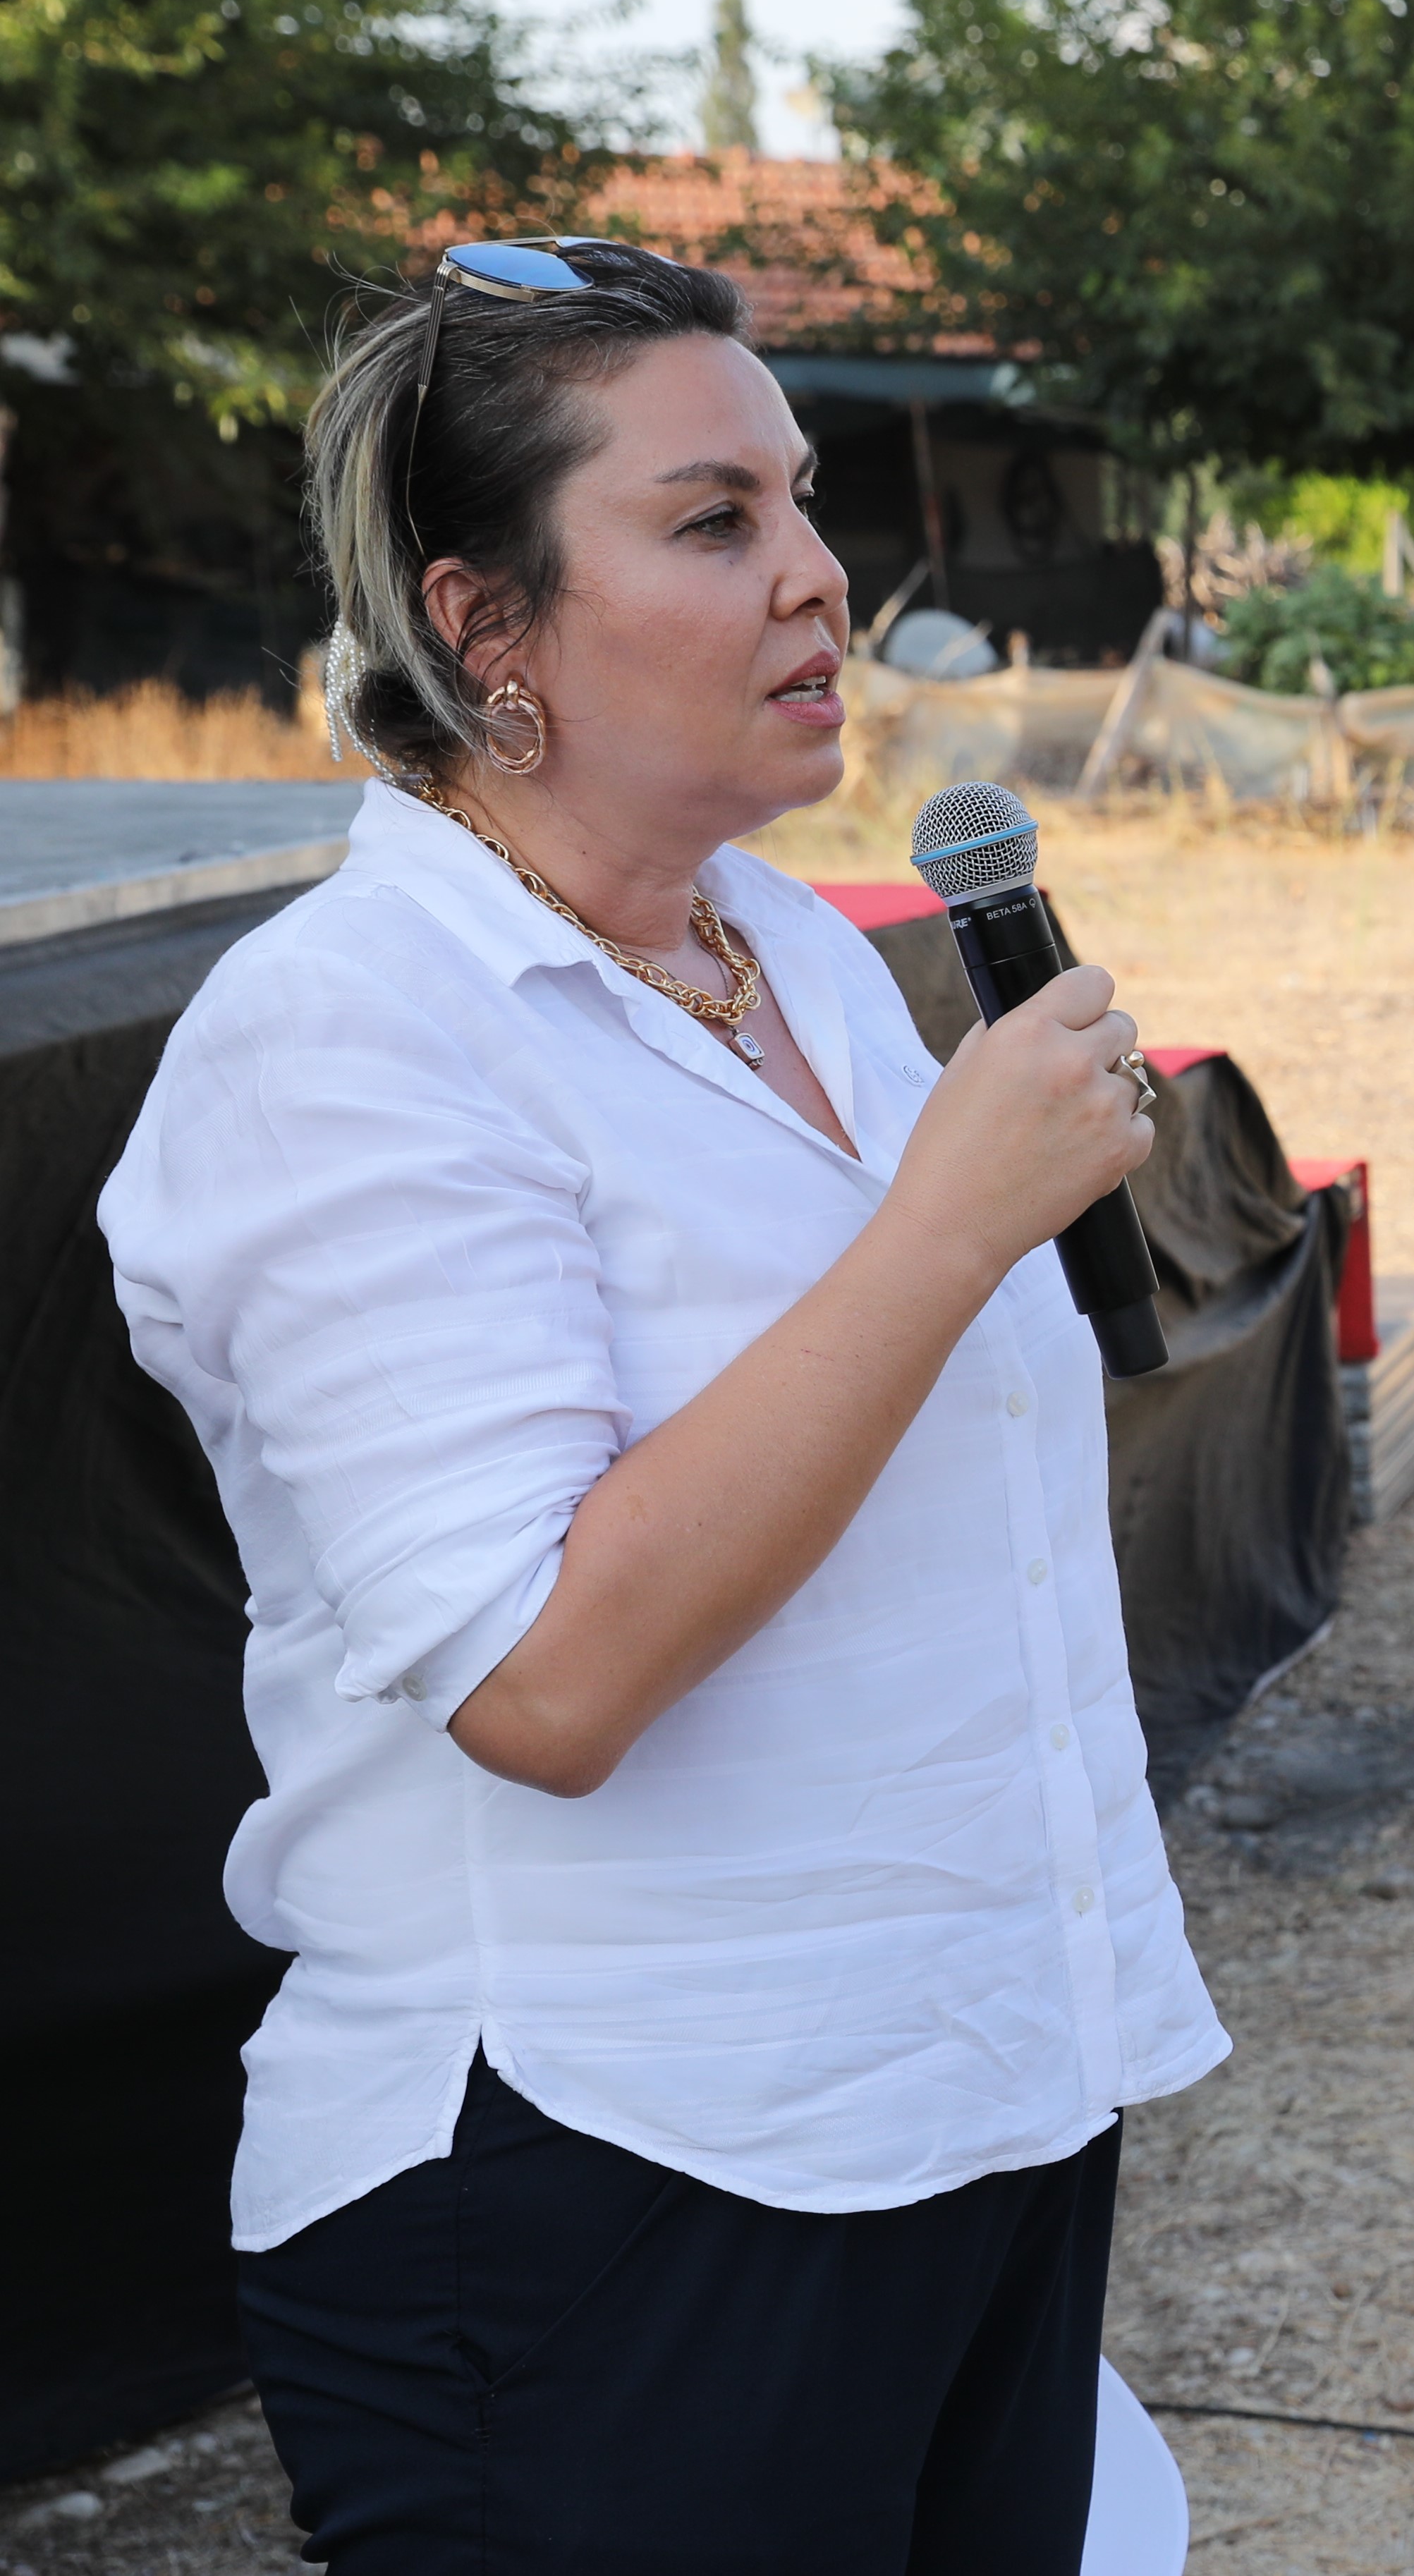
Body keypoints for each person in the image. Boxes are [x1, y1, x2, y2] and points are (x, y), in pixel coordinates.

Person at [96, 236, 1226, 2572]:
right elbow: (550, 1674)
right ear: (485, 626)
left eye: (803, 501)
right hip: (602, 2182)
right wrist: (941, 1228)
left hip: (968, 2113)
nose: (821, 575)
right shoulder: (354, 1034)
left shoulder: (795, 944)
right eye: (714, 522)